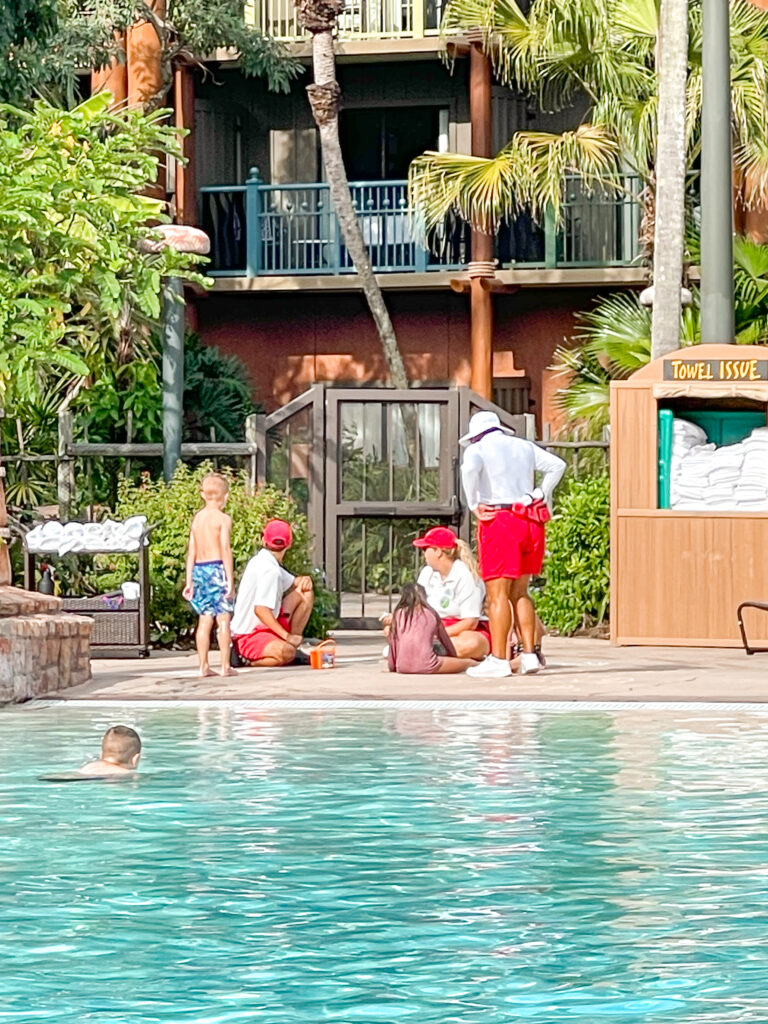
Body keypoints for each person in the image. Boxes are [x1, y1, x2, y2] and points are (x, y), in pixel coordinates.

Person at [460, 410, 565, 678]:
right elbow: (558, 466)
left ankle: (498, 659)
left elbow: (469, 469)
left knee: (497, 594)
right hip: (529, 519)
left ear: (475, 435)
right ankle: (529, 655)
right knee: (521, 592)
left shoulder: (478, 449)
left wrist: (473, 503)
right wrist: (540, 492)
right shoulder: (524, 446)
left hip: (500, 519)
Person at [231, 519, 315, 667]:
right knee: (286, 652)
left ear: (264, 540)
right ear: (289, 544)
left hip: (265, 628)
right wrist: (287, 636)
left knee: (305, 592)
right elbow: (261, 610)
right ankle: (247, 659)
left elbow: (294, 582)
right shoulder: (271, 571)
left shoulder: (263, 560)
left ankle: (293, 645)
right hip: (249, 635)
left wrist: (304, 580)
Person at [183, 473, 236, 678]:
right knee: (223, 619)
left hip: (199, 570)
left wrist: (189, 581)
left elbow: (191, 552)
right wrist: (230, 580)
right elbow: (225, 549)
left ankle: (203, 666)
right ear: (226, 497)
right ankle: (225, 666)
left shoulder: (197, 519)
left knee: (204, 620)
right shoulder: (223, 519)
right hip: (216, 569)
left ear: (202, 494)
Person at [411, 526, 490, 660]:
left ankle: (420, 650)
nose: (423, 554)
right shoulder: (427, 572)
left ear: (438, 551)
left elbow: (470, 622)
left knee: (471, 643)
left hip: (463, 629)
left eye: (426, 549)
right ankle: (430, 650)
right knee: (391, 629)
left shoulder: (466, 575)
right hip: (434, 626)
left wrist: (438, 634)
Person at [387, 583, 478, 675]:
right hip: (427, 664)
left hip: (402, 666)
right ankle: (479, 665)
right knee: (468, 663)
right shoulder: (431, 613)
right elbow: (445, 641)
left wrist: (392, 666)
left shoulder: (398, 614)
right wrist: (453, 658)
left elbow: (393, 644)